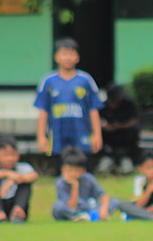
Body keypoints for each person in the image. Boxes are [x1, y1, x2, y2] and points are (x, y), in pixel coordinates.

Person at [34, 38, 104, 175]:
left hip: (81, 133)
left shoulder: (86, 80)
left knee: (85, 171)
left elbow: (93, 110)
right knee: (60, 173)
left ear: (77, 57)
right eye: (64, 54)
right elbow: (43, 111)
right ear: (56, 57)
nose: (68, 57)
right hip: (58, 135)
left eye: (71, 54)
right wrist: (41, 136)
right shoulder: (48, 82)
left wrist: (97, 134)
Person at [0, 137, 39, 223]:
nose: (10, 159)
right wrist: (8, 174)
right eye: (5, 155)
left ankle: (18, 211)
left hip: (14, 204)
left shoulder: (23, 167)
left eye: (12, 155)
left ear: (17, 155)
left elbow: (34, 176)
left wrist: (14, 180)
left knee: (25, 184)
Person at [52, 146, 119, 221]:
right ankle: (89, 216)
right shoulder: (60, 182)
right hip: (71, 209)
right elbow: (71, 206)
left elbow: (104, 195)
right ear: (63, 169)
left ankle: (88, 216)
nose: (73, 174)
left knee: (114, 201)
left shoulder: (88, 178)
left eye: (76, 170)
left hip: (88, 206)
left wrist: (103, 209)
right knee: (58, 207)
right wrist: (75, 186)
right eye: (70, 170)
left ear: (83, 170)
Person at [96, 85, 141, 175]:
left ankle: (128, 162)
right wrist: (105, 126)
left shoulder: (128, 104)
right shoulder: (103, 106)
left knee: (133, 132)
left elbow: (135, 120)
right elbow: (97, 119)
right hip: (108, 139)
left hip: (126, 138)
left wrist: (120, 126)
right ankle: (106, 161)